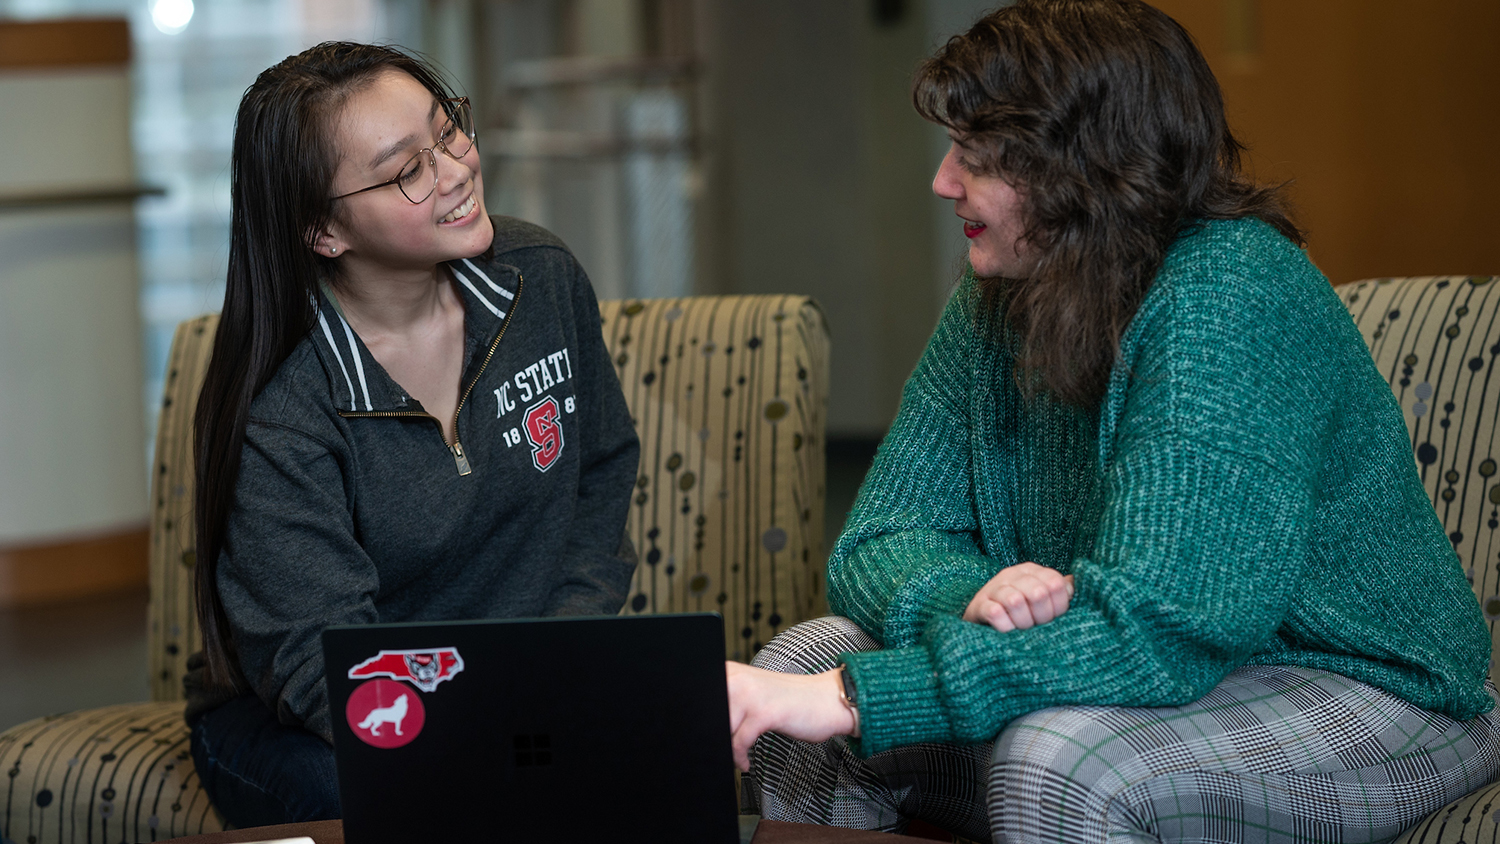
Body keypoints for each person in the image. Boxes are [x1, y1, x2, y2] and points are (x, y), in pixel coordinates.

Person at [726, 1, 1500, 840]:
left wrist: (853, 697)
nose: (944, 181)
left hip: (1366, 693)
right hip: (1120, 671)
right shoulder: (996, 298)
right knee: (794, 663)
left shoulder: (1230, 294)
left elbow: (1162, 628)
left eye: (978, 156)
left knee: (1058, 762)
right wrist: (973, 593)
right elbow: (878, 538)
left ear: (1084, 166)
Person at [185, 42, 639, 827]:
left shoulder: (542, 278)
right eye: (406, 170)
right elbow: (318, 659)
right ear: (324, 232)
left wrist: (561, 670)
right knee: (400, 798)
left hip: (526, 683)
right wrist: (485, 740)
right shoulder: (285, 399)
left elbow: (600, 474)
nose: (456, 170)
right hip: (326, 715)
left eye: (448, 130)